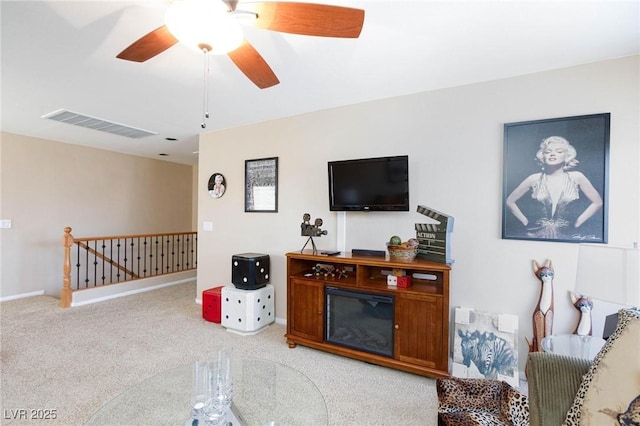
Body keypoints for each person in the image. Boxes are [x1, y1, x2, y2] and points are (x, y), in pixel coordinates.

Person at [505, 136, 603, 240]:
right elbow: (509, 201)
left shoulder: (577, 177)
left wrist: (577, 223)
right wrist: (525, 222)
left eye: (559, 151)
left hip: (567, 235)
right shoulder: (534, 178)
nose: (552, 154)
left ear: (567, 155)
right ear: (543, 156)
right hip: (534, 234)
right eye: (547, 152)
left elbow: (597, 202)